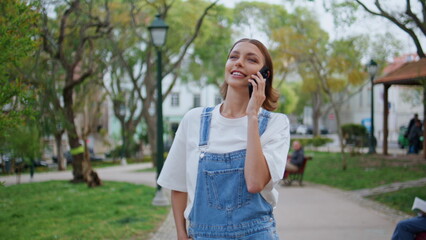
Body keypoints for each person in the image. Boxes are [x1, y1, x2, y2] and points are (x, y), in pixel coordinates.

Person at [158, 38, 290, 240]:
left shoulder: (276, 124)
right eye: (233, 57)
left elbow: (255, 183)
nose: (238, 62)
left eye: (251, 59)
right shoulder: (193, 120)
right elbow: (178, 185)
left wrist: (252, 115)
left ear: (265, 75)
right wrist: (181, 235)